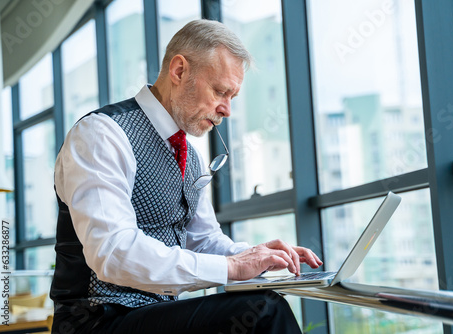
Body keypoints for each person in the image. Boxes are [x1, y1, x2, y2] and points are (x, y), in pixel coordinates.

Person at [50, 19, 323, 334]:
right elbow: (113, 252)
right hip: (97, 321)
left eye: (232, 97)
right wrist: (232, 267)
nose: (227, 110)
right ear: (179, 71)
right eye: (221, 92)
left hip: (157, 314)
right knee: (263, 310)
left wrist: (255, 257)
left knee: (261, 304)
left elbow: (203, 240)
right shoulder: (102, 134)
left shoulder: (190, 156)